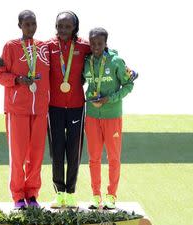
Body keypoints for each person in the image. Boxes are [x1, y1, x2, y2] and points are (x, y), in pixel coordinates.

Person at [0, 10, 50, 208]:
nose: (31, 27)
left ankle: (32, 194)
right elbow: (0, 75)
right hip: (17, 108)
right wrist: (17, 80)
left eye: (33, 23)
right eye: (27, 24)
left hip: (40, 109)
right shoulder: (10, 47)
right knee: (18, 155)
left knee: (36, 154)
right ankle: (18, 195)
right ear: (19, 25)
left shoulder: (43, 47)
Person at [83, 27, 135, 210]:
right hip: (91, 116)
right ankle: (96, 196)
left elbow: (129, 85)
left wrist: (109, 99)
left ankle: (111, 196)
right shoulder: (87, 61)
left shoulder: (116, 61)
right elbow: (80, 81)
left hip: (112, 116)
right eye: (93, 44)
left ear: (106, 43)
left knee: (113, 157)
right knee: (94, 158)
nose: (96, 47)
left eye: (99, 43)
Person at [47, 11, 91, 208]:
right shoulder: (47, 46)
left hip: (76, 106)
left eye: (67, 26)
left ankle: (71, 192)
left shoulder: (84, 46)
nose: (63, 30)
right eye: (60, 26)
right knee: (57, 151)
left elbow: (102, 54)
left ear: (75, 27)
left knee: (74, 150)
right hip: (54, 106)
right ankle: (59, 193)